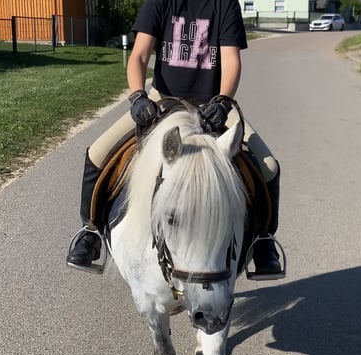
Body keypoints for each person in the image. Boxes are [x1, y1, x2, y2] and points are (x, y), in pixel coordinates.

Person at [66, 0, 282, 277]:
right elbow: (139, 56)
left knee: (268, 166)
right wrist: (137, 96)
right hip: (162, 99)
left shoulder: (224, 4)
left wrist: (224, 101)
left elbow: (230, 60)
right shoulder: (160, 2)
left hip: (211, 105)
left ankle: (264, 242)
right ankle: (91, 231)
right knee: (97, 153)